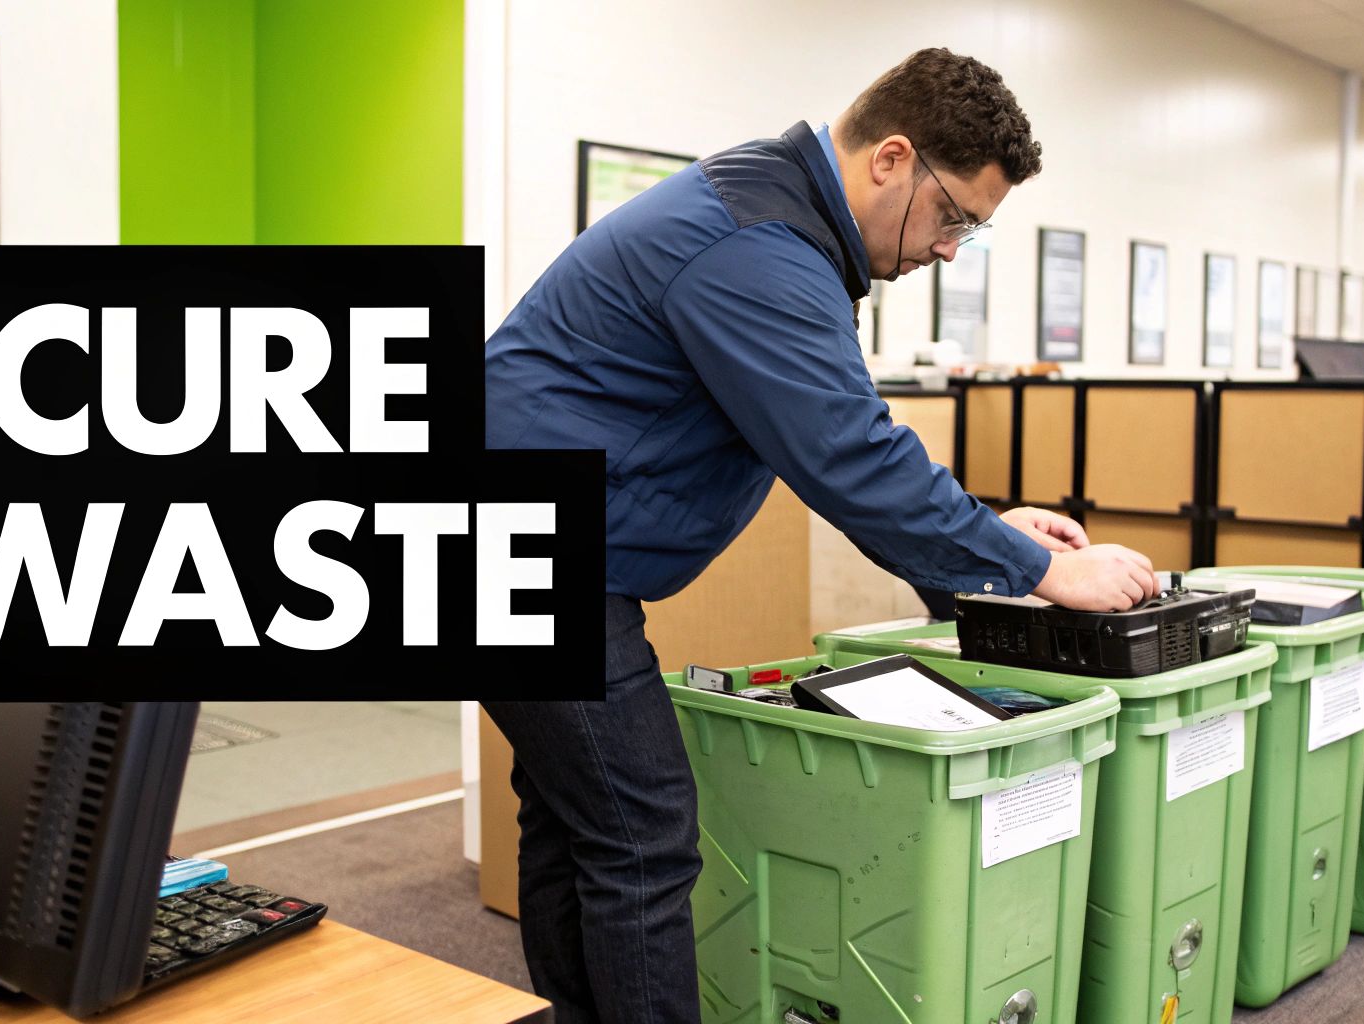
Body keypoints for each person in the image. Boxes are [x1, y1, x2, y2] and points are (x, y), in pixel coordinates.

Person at [480, 48, 1157, 1023]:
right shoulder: (759, 246)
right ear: (891, 159)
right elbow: (853, 464)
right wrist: (1046, 571)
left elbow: (839, 436)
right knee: (643, 834)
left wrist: (991, 534)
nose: (950, 250)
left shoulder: (773, 214)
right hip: (526, 552)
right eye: (953, 216)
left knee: (575, 820)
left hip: (521, 537)